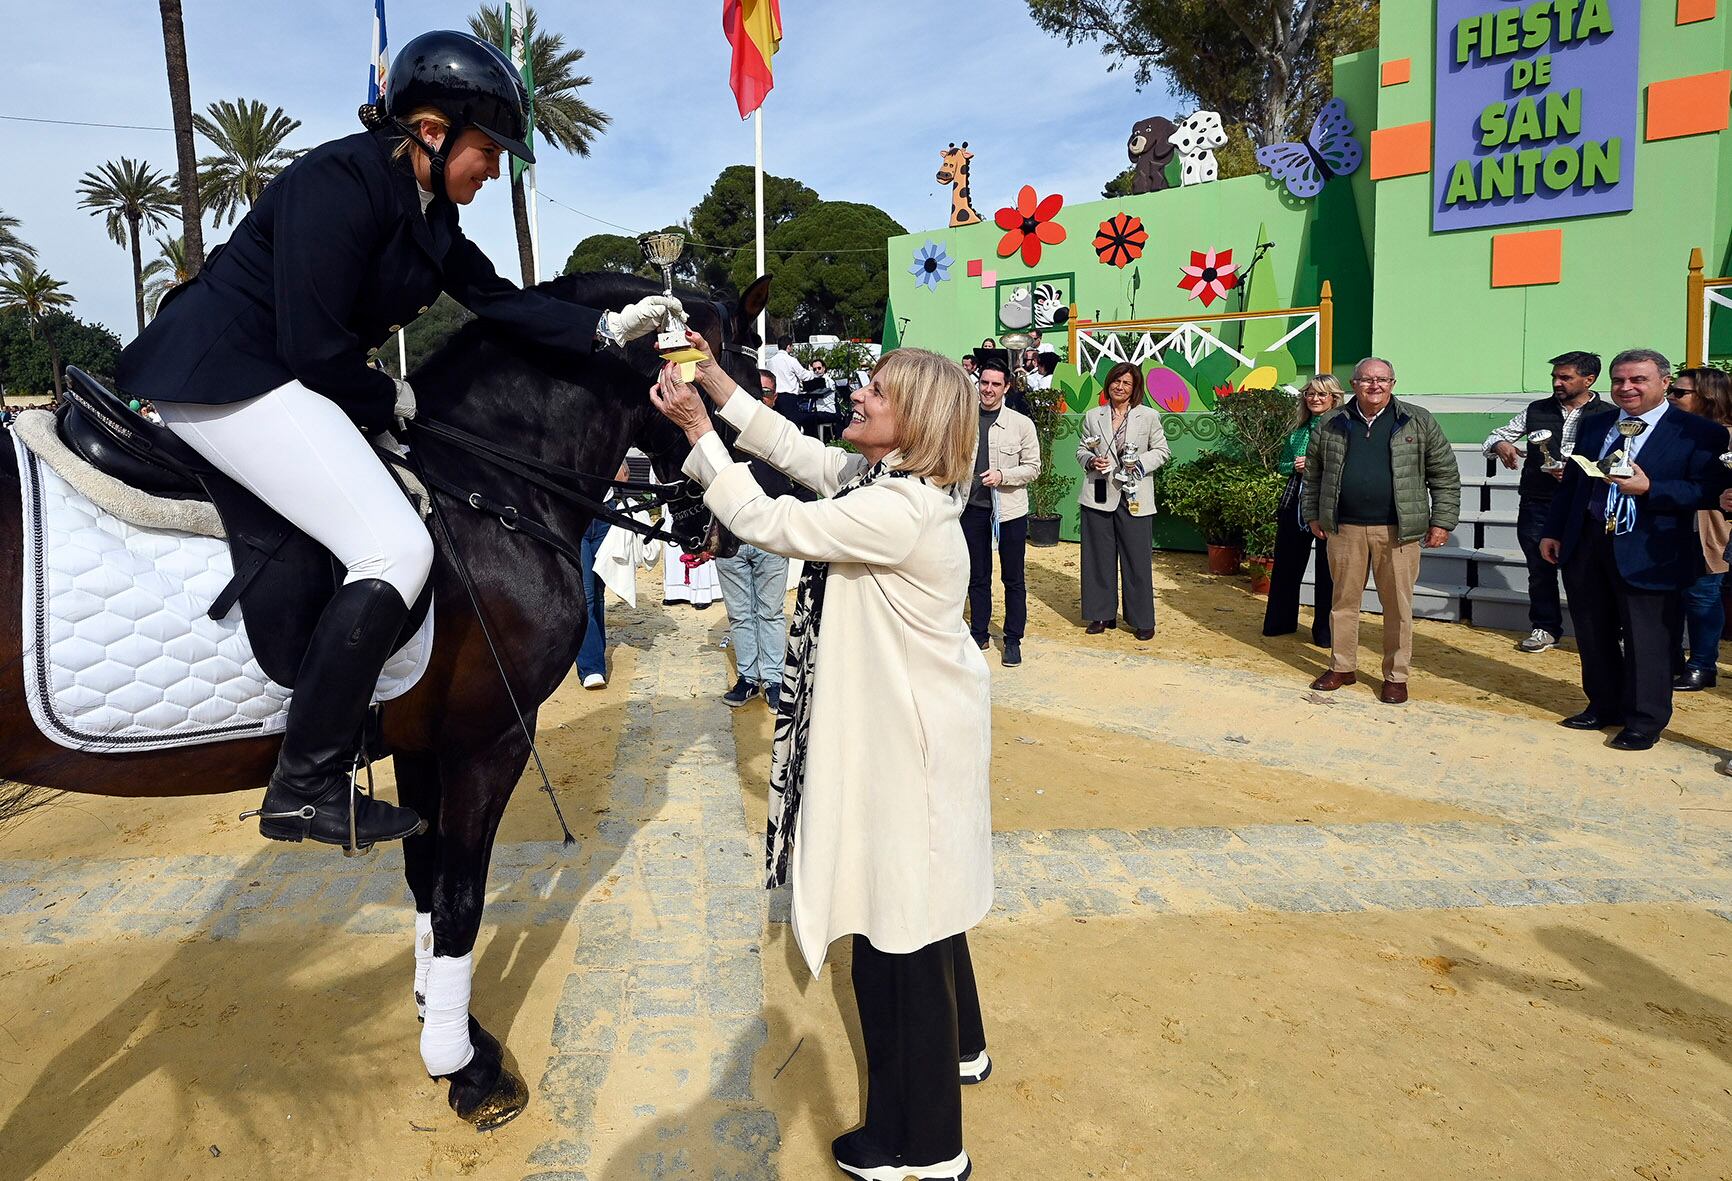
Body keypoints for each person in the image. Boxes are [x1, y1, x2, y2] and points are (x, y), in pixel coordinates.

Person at [113, 29, 679, 850]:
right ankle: (304, 782)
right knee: (394, 548)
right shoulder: (338, 180)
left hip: (277, 378)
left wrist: (603, 329)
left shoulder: (429, 213)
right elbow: (311, 347)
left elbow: (499, 300)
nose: (496, 167)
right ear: (431, 129)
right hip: (225, 374)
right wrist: (395, 396)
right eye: (489, 149)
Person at [650, 332, 991, 1181]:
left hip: (903, 743)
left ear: (913, 420)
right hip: (917, 731)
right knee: (928, 904)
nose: (860, 397)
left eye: (876, 390)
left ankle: (923, 1148)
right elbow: (795, 450)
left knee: (895, 929)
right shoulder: (894, 484)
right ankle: (964, 1049)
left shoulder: (895, 509)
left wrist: (696, 429)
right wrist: (721, 384)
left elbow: (768, 519)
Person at [1540, 349, 1726, 749]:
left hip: (1651, 550)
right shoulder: (1597, 425)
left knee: (1649, 640)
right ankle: (1603, 705)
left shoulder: (1698, 431)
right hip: (1588, 541)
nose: (1627, 388)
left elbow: (1711, 491)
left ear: (1663, 383)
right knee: (1593, 632)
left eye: (1638, 380)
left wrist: (1651, 488)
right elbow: (1574, 484)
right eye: (1620, 380)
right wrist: (1553, 531)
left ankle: (1644, 720)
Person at [1303, 357, 1460, 704]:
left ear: (1393, 383)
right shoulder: (1331, 422)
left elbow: (1444, 474)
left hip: (1398, 532)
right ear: (1353, 384)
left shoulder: (1418, 420)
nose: (1374, 385)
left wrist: (1442, 522)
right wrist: (1312, 513)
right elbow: (1314, 474)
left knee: (1398, 607)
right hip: (1345, 530)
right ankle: (1342, 667)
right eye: (1366, 380)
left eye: (1382, 379)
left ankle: (1395, 676)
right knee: (1343, 603)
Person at [1481, 351, 1604, 653]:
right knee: (1539, 569)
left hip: (1585, 504)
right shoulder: (1537, 409)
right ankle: (1545, 628)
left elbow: (1620, 459)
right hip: (1539, 502)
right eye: (1555, 377)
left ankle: (1598, 632)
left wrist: (1584, 471)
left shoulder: (1609, 414)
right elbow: (1493, 437)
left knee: (1588, 571)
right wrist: (1502, 445)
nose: (1557, 383)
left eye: (1566, 377)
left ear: (1589, 380)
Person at [716, 369, 799, 709]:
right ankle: (749, 677)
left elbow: (801, 483)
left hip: (769, 539)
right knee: (740, 613)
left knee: (770, 612)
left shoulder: (784, 438)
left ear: (774, 397)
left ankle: (775, 679)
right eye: (755, 391)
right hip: (731, 538)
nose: (761, 397)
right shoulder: (723, 433)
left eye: (766, 392)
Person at [1077, 361, 1170, 640]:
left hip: (1135, 493)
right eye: (1116, 381)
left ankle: (1142, 619)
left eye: (1126, 383)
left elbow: (1163, 451)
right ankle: (1101, 614)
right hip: (1099, 492)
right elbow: (1081, 448)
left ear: (1134, 388)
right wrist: (1091, 459)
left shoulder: (1149, 416)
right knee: (1097, 558)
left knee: (1136, 559)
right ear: (1108, 384)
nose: (1119, 386)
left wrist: (1137, 464)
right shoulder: (1094, 416)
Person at [963, 360, 1041, 665]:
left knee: (1013, 578)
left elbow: (1034, 468)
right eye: (984, 383)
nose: (988, 389)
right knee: (977, 575)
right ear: (978, 383)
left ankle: (1012, 639)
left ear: (1006, 387)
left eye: (996, 384)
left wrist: (1002, 475)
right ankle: (979, 633)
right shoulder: (965, 420)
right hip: (971, 508)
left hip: (1008, 512)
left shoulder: (1022, 424)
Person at [1263, 376, 1343, 646]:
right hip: (1294, 500)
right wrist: (1294, 466)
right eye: (1310, 394)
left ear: (1334, 398)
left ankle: (1325, 633)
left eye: (1322, 394)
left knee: (1327, 569)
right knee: (1286, 564)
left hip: (1329, 500)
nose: (1315, 399)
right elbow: (1282, 464)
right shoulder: (1298, 431)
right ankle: (1280, 623)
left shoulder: (1343, 429)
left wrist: (1313, 464)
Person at [1668, 368, 1732, 690]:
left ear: (1707, 396)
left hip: (1711, 529)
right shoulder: (1674, 431)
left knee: (1702, 596)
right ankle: (1672, 657)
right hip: (1670, 526)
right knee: (1674, 595)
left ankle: (1703, 664)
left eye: (1680, 393)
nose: (1671, 397)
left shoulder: (1727, 436)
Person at [576, 462, 632, 689]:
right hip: (577, 512)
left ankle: (594, 656)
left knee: (598, 594)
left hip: (605, 513)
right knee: (586, 593)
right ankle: (591, 667)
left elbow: (623, 476)